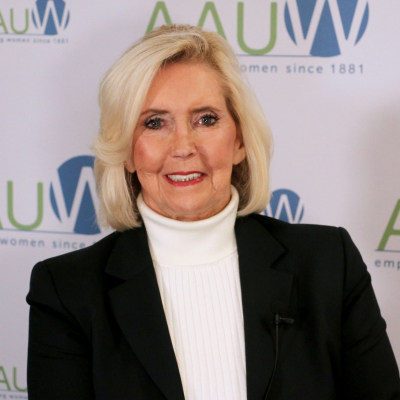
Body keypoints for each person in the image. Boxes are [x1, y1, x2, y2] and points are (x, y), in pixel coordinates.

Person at [26, 24, 400, 400]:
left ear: (238, 140)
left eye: (206, 119)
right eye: (155, 123)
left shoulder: (327, 264)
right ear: (125, 149)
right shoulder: (67, 291)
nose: (183, 146)